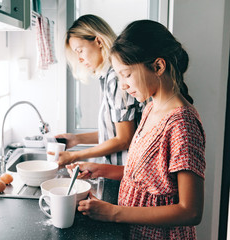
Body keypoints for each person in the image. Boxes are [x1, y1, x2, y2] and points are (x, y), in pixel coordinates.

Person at [66, 19, 206, 240]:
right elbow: (147, 179)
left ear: (158, 66)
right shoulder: (151, 108)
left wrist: (113, 213)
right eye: (119, 75)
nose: (122, 84)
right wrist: (99, 169)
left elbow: (190, 211)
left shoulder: (182, 124)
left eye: (127, 74)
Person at [52, 14, 142, 167]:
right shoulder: (106, 77)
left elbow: (124, 139)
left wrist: (75, 156)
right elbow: (113, 134)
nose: (79, 59)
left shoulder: (116, 77)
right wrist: (76, 139)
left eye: (80, 50)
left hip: (125, 173)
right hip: (118, 171)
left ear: (98, 41)